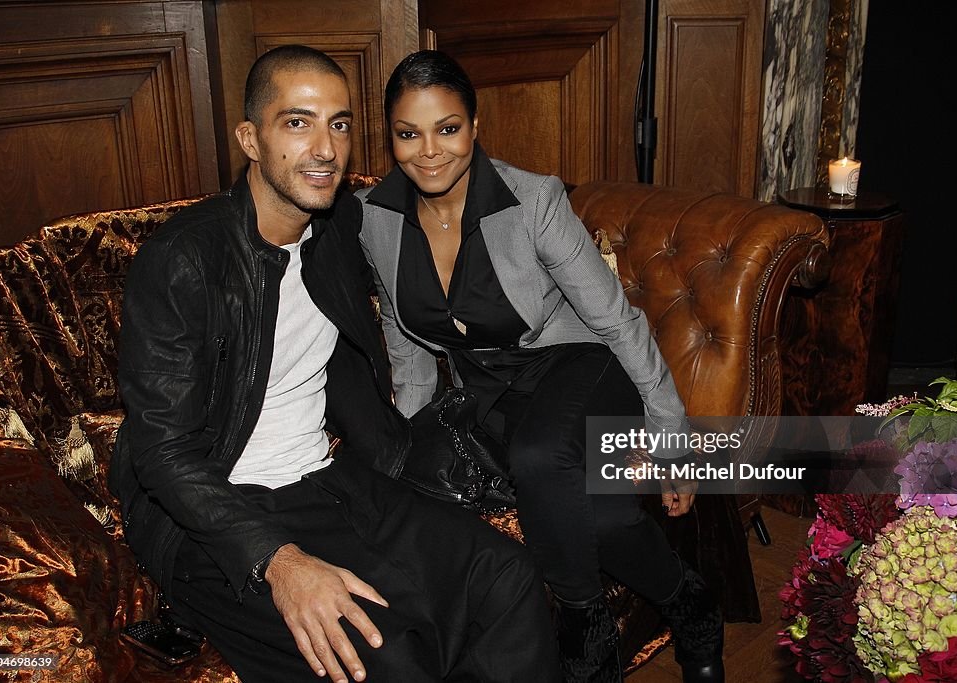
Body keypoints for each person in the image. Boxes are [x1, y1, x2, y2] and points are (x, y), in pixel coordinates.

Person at [109, 44, 562, 683]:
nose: (325, 148)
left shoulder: (338, 224)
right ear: (249, 138)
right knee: (388, 657)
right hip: (218, 514)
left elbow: (446, 194)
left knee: (506, 577)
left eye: (340, 124)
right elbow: (163, 453)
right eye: (298, 123)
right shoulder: (185, 259)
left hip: (328, 474)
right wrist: (280, 561)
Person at [358, 50, 725, 683]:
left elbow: (617, 320)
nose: (429, 151)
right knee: (602, 517)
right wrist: (416, 442)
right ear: (389, 137)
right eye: (408, 133)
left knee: (538, 456)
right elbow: (408, 347)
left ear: (475, 126)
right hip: (490, 394)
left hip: (581, 365)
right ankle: (692, 605)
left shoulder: (533, 200)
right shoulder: (373, 219)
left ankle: (585, 632)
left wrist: (673, 435)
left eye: (447, 128)